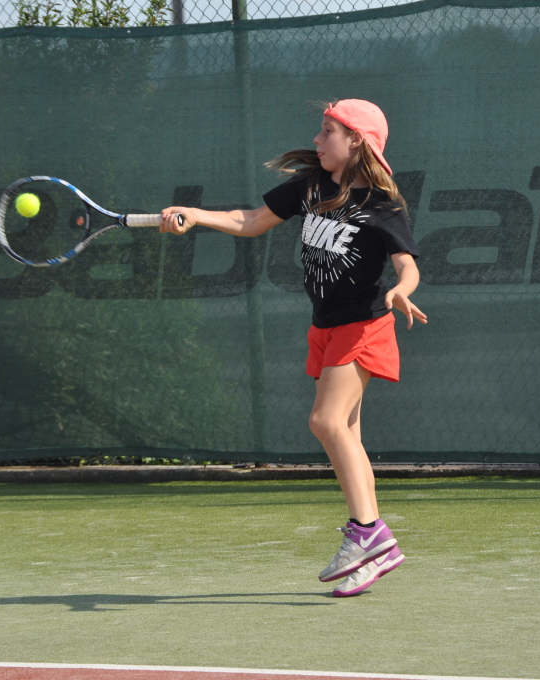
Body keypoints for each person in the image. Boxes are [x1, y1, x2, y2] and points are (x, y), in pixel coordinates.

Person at [160, 99, 427, 597]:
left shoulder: (382, 203)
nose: (318, 140)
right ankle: (374, 551)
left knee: (325, 421)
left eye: (328, 131)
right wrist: (195, 215)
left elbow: (407, 264)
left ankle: (369, 533)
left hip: (363, 326)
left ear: (356, 141)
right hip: (325, 325)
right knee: (347, 434)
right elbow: (251, 220)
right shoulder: (311, 186)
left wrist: (401, 290)